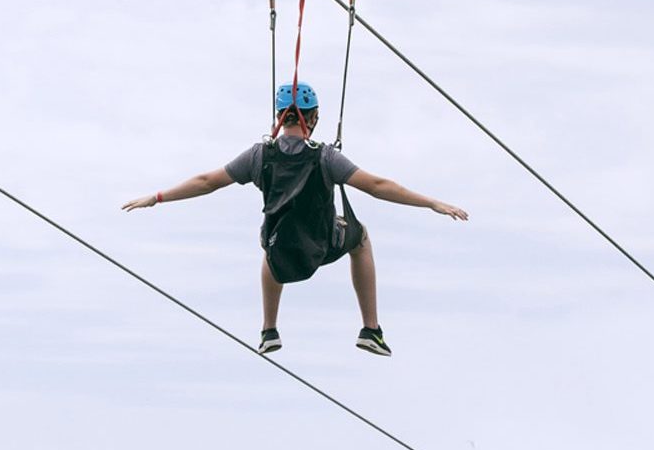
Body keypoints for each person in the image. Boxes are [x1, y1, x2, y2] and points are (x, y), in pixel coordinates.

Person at [123, 82, 467, 356]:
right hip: (322, 246)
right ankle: (371, 330)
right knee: (360, 240)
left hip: (282, 256)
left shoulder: (259, 155)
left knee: (269, 243)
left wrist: (158, 197)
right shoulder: (327, 158)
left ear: (279, 116)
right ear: (313, 117)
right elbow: (378, 186)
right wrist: (432, 203)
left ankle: (269, 330)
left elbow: (207, 182)